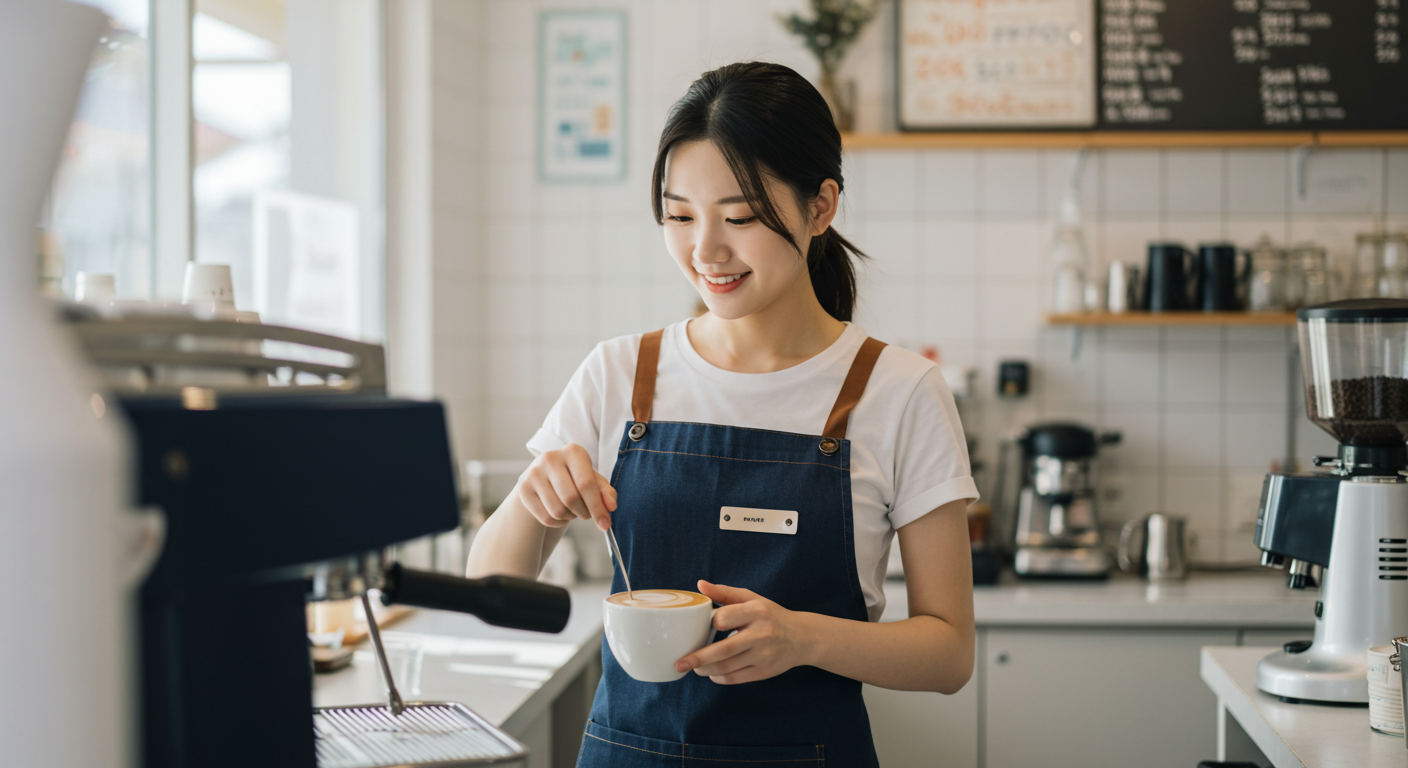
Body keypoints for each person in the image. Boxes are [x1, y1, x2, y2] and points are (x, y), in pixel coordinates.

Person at [466, 61, 977, 767]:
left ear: (821, 206)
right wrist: (534, 501)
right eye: (679, 216)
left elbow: (949, 652)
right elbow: (492, 591)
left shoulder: (900, 390)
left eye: (739, 217)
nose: (705, 251)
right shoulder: (621, 373)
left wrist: (803, 638)